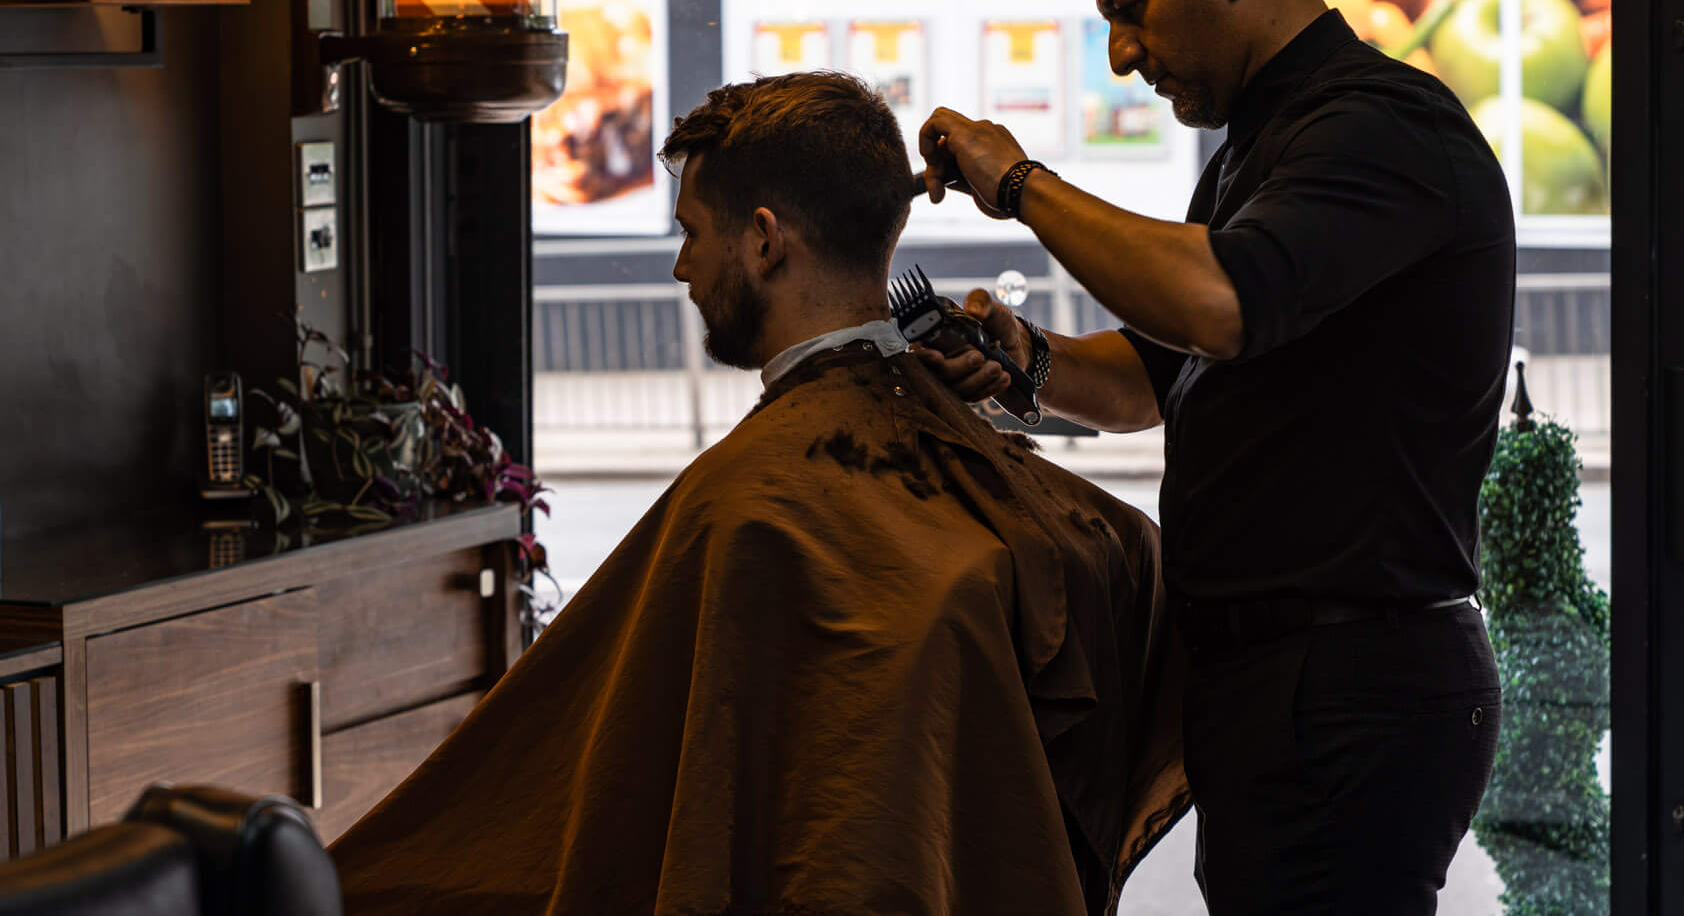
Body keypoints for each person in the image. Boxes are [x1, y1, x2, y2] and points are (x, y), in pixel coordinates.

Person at [333, 71, 1190, 916]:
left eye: (694, 233)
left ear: (765, 238)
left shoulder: (746, 510)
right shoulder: (1041, 505)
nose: (680, 267)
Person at [916, 0, 1515, 916]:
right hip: (1275, 685)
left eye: (1131, 7)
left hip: (1350, 685)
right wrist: (1022, 362)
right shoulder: (1257, 149)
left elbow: (1215, 303)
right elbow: (1156, 374)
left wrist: (1019, 184)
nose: (1121, 53)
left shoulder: (1379, 130)